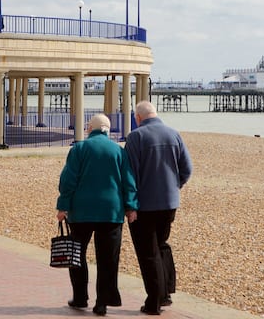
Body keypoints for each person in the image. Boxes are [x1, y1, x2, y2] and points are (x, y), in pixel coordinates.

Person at [56, 113, 138, 316]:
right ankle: (102, 302)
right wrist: (131, 207)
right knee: (108, 258)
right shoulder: (118, 151)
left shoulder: (79, 149)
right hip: (111, 212)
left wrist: (63, 206)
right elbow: (128, 182)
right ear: (107, 130)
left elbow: (68, 180)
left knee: (76, 254)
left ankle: (80, 297)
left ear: (89, 128)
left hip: (81, 211)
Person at [124, 101, 193, 315]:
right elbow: (187, 169)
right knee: (161, 245)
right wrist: (175, 186)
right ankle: (166, 294)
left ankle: (154, 302)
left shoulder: (136, 137)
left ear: (138, 118)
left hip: (144, 205)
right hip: (169, 203)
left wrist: (130, 205)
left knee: (148, 252)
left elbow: (129, 175)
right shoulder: (173, 134)